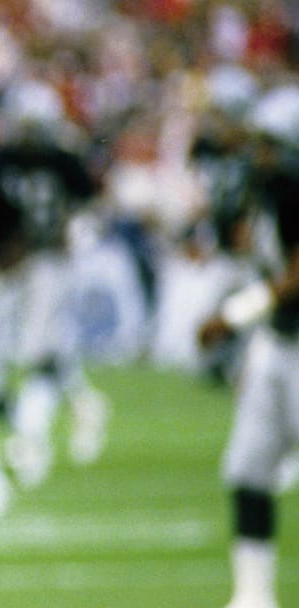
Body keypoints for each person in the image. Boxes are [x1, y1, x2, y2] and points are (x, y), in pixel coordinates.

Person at [198, 83, 299, 608]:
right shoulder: (265, 191)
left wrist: (235, 314)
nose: (258, 153)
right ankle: (254, 596)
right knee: (248, 467)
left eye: (269, 143)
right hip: (278, 343)